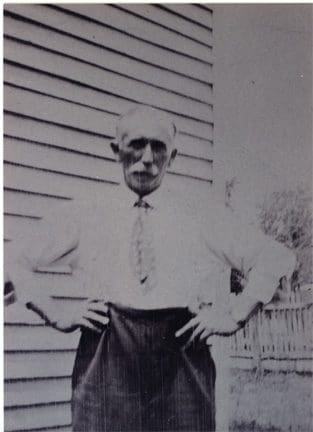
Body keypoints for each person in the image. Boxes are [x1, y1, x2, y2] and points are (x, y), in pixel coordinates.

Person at [5, 106, 296, 431]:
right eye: (137, 144)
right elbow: (13, 257)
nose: (147, 157)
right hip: (107, 355)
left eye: (158, 146)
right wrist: (56, 313)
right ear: (117, 150)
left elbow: (272, 257)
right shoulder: (85, 213)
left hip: (182, 357)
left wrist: (234, 315)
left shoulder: (200, 213)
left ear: (173, 156)